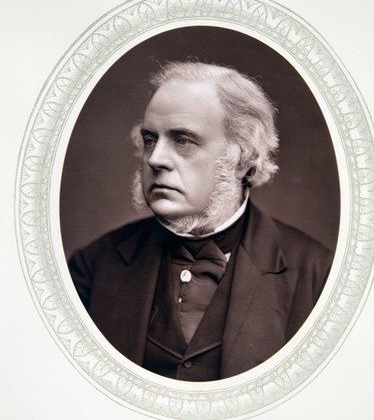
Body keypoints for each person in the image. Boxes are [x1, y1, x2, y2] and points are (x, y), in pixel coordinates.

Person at [69, 61, 333, 381]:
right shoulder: (92, 267)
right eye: (150, 139)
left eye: (183, 140)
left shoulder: (317, 275)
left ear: (243, 157)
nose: (155, 159)